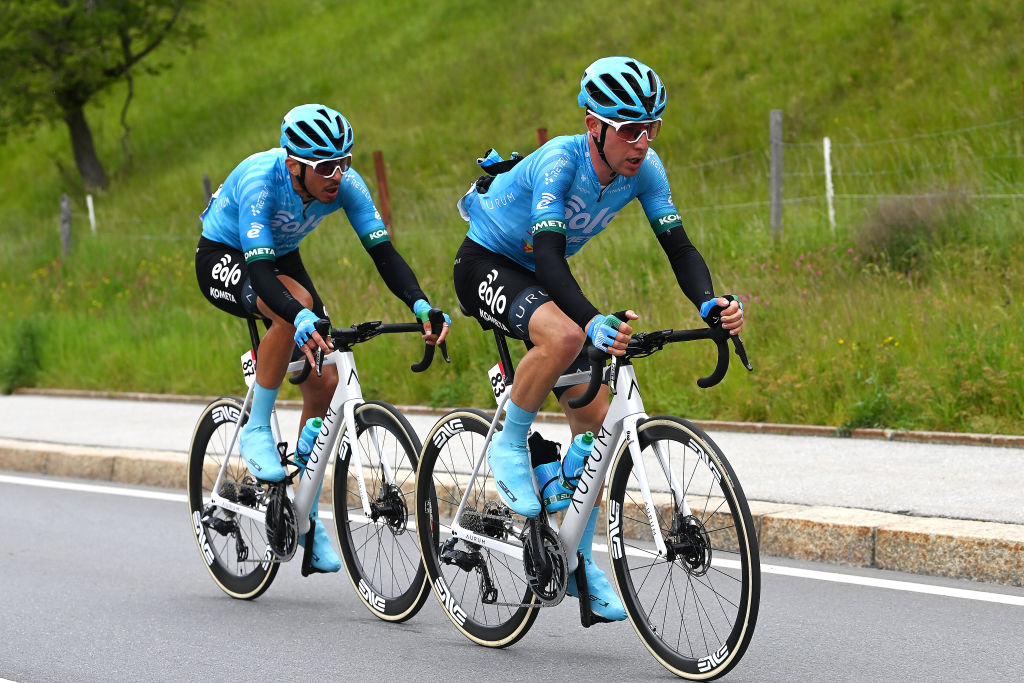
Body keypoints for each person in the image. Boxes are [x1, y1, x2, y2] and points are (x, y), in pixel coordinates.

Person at [452, 57, 744, 620]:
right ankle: (509, 443)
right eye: (630, 130)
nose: (642, 142)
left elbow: (680, 249)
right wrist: (590, 321)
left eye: (651, 127)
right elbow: (550, 258)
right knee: (564, 335)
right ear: (595, 126)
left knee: (597, 429)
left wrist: (709, 301)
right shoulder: (562, 161)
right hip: (487, 260)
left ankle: (577, 561)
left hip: (541, 275)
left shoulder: (646, 169)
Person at [196, 103, 450, 573]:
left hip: (281, 255)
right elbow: (262, 275)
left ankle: (303, 513)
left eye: (345, 162)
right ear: (294, 165)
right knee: (293, 313)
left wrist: (419, 303)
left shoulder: (345, 184)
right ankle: (256, 427)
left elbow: (383, 253)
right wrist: (298, 316)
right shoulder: (260, 180)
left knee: (325, 381)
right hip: (228, 255)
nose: (338, 174)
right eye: (326, 166)